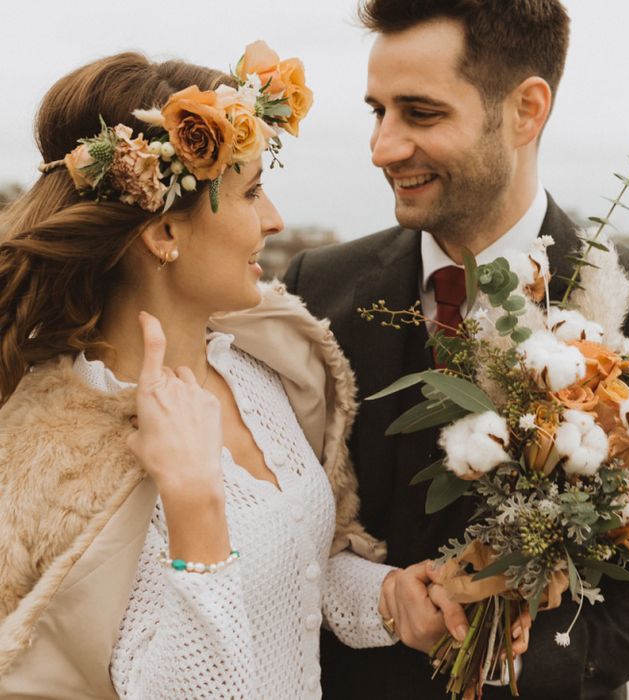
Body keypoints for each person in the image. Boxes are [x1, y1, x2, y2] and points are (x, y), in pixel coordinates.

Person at [0, 43, 477, 699]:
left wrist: (391, 597)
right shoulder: (63, 466)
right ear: (164, 233)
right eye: (251, 190)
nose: (275, 219)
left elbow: (293, 568)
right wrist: (195, 509)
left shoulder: (254, 369)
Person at [284, 1, 629, 698]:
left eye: (420, 114)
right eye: (378, 112)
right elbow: (274, 530)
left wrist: (515, 660)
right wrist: (379, 594)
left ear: (526, 110)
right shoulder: (316, 290)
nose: (383, 147)